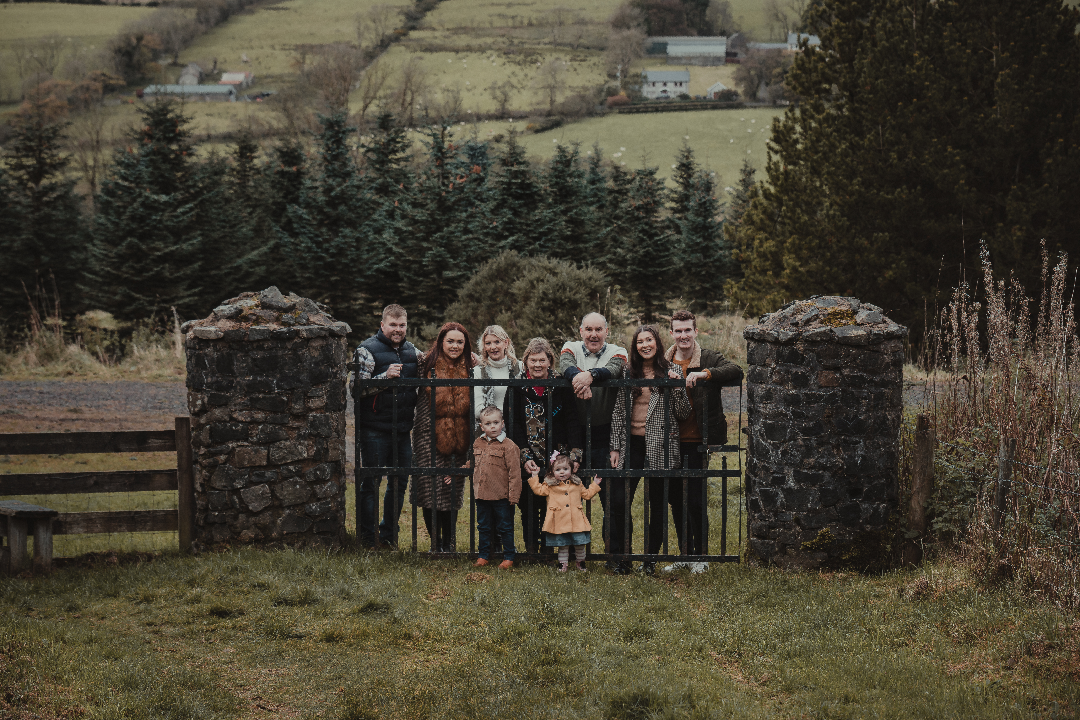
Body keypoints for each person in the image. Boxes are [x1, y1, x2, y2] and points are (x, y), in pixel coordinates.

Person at [663, 310, 744, 573]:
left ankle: (701, 555)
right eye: (678, 330)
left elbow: (735, 370)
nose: (683, 335)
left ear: (696, 332)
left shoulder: (707, 357)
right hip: (671, 440)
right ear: (672, 333)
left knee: (695, 498)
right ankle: (684, 554)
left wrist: (704, 374)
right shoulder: (665, 360)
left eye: (688, 330)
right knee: (676, 498)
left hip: (699, 439)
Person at [609, 325, 691, 575]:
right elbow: (619, 411)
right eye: (640, 341)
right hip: (631, 444)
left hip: (660, 445)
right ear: (635, 347)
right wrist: (614, 446)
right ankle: (622, 558)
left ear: (657, 343)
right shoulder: (627, 373)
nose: (645, 345)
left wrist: (678, 387)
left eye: (649, 340)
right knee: (620, 500)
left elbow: (683, 413)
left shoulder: (672, 371)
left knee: (657, 503)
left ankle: (650, 559)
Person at [557, 313, 627, 571]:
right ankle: (571, 557)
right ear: (581, 330)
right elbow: (564, 364)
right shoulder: (571, 347)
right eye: (589, 329)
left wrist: (590, 376)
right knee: (568, 496)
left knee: (614, 499)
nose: (594, 334)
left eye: (599, 329)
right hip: (575, 434)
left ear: (607, 331)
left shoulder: (618, 350)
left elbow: (615, 369)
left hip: (606, 435)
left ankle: (617, 556)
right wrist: (582, 377)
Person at [350, 304, 418, 549]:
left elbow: (433, 364)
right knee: (371, 483)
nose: (397, 330)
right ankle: (368, 539)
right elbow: (355, 389)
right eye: (393, 325)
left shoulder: (412, 351)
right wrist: (384, 377)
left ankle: (388, 535)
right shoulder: (367, 350)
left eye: (402, 325)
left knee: (399, 483)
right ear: (382, 325)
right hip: (374, 429)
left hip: (402, 430)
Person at [508, 337, 581, 557]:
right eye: (533, 360)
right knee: (529, 504)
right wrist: (524, 454)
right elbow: (514, 423)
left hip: (557, 456)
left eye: (542, 360)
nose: (537, 365)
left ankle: (549, 549)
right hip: (528, 454)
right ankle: (531, 547)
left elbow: (572, 419)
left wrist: (574, 454)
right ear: (526, 361)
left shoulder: (560, 385)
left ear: (550, 361)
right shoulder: (517, 386)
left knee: (554, 503)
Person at [411, 322, 475, 552]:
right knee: (429, 488)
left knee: (451, 490)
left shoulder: (471, 366)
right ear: (441, 342)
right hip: (428, 434)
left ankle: (448, 543)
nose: (455, 346)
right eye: (450, 341)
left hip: (460, 437)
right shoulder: (424, 363)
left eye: (460, 342)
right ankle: (435, 544)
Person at [527, 451, 602, 572]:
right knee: (563, 545)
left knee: (579, 544)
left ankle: (580, 563)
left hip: (576, 520)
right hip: (560, 520)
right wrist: (534, 476)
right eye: (558, 470)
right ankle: (563, 565)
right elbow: (539, 490)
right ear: (552, 472)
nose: (562, 472)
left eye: (566, 469)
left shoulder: (577, 483)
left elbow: (587, 495)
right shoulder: (550, 485)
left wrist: (595, 484)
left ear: (572, 470)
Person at [467, 406, 521, 569]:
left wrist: (513, 496)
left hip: (501, 496)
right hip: (482, 495)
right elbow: (473, 463)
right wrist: (458, 472)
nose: (493, 426)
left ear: (502, 424)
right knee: (483, 526)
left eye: (496, 422)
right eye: (488, 423)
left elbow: (514, 473)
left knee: (504, 527)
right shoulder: (478, 443)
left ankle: (509, 556)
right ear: (482, 427)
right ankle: (484, 555)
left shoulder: (509, 446)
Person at [472, 325, 523, 428]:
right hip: (490, 431)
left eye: (497, 342)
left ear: (506, 343)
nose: (493, 347)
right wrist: (498, 420)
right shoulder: (478, 371)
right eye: (488, 343)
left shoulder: (520, 367)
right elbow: (477, 410)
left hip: (517, 428)